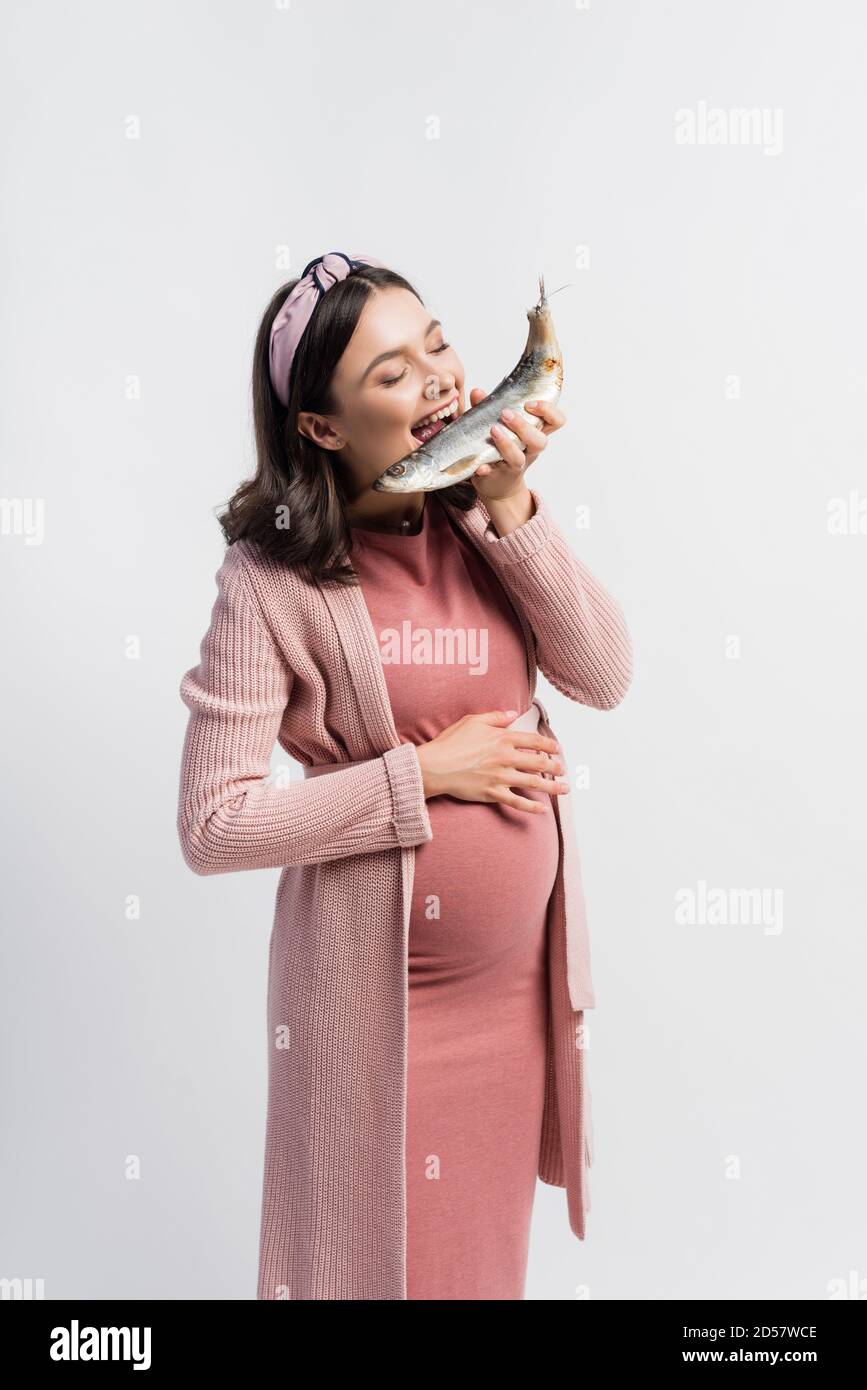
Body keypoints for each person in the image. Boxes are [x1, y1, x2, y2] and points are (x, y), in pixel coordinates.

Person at [176, 251, 633, 1300]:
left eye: (436, 345)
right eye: (391, 372)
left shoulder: (480, 515)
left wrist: (512, 505)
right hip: (383, 1016)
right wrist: (420, 774)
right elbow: (214, 823)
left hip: (512, 1006)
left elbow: (603, 673)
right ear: (322, 427)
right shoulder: (268, 579)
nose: (437, 379)